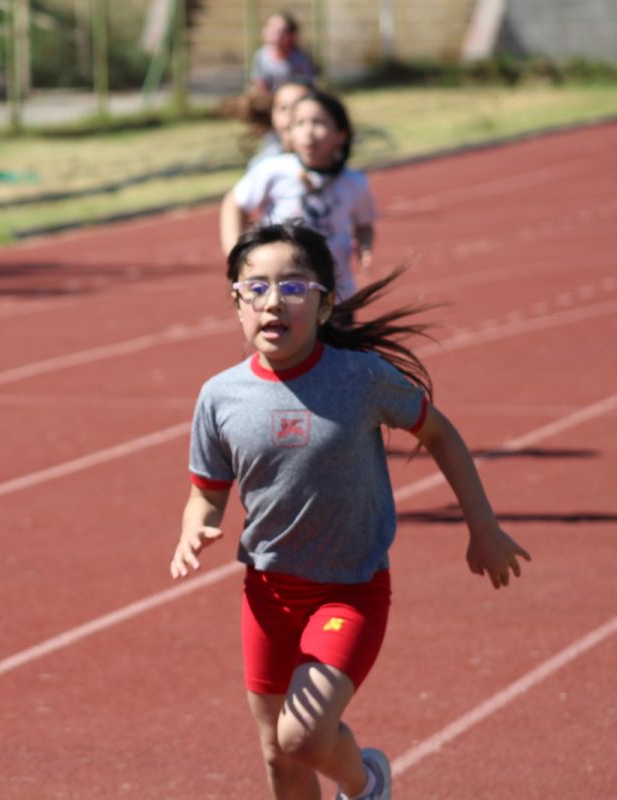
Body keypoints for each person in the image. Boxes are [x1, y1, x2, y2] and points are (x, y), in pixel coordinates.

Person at [170, 222, 531, 800]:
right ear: (235, 302)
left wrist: (482, 526)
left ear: (324, 303)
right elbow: (207, 489)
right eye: (255, 288)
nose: (273, 301)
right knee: (277, 754)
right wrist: (196, 525)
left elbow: (439, 433)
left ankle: (367, 784)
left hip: (349, 590)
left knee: (304, 735)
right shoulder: (219, 396)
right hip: (267, 593)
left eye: (293, 287)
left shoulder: (360, 379)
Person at [221, 88, 375, 302]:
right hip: (283, 298)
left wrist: (365, 245)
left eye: (319, 123)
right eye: (300, 124)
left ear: (341, 135)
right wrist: (237, 253)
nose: (308, 132)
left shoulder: (354, 182)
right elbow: (234, 204)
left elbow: (364, 225)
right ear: (290, 134)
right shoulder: (273, 171)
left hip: (336, 296)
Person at [247, 80, 310, 169]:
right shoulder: (262, 165)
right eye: (283, 108)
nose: (290, 114)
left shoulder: (330, 161)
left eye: (297, 107)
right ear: (272, 115)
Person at [250, 11, 317, 94]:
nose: (275, 34)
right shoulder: (261, 55)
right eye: (271, 27)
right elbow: (259, 83)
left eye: (282, 31)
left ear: (292, 35)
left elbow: (308, 87)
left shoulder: (300, 60)